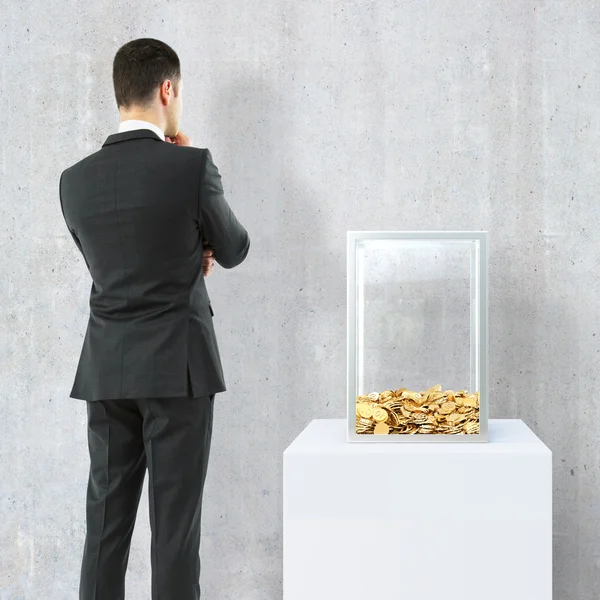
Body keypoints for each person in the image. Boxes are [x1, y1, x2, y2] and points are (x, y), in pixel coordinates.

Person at [58, 37, 250, 600]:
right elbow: (233, 248)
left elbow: (111, 265)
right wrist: (196, 224)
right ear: (167, 89)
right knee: (174, 534)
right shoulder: (191, 166)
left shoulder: (74, 181)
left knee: (104, 531)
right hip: (178, 372)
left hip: (107, 372)